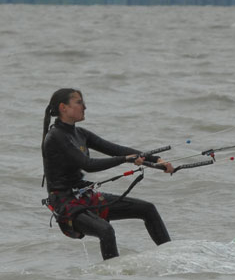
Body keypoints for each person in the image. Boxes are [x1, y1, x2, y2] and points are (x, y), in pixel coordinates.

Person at [41, 87, 173, 260]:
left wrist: (156, 160)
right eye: (79, 102)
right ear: (63, 108)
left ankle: (172, 256)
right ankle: (114, 272)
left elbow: (116, 149)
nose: (84, 107)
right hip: (65, 203)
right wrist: (124, 159)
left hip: (84, 196)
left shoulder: (80, 133)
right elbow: (88, 165)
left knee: (147, 209)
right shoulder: (55, 137)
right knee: (105, 230)